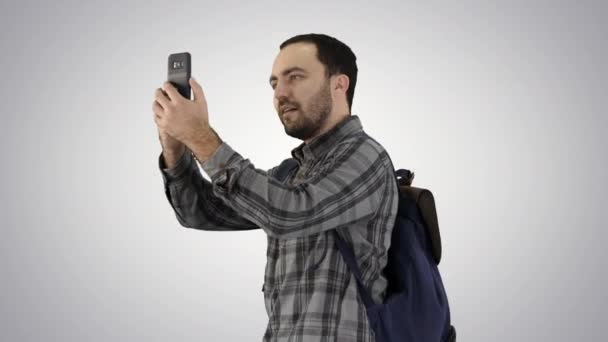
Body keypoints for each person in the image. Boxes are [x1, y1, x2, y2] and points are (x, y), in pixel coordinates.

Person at [153, 33, 399, 342]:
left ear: (339, 84)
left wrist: (201, 136)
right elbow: (202, 213)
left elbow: (288, 214)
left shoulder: (366, 156)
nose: (280, 93)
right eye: (274, 83)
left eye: (295, 77)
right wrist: (176, 152)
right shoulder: (291, 173)